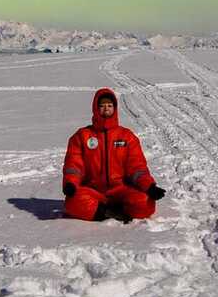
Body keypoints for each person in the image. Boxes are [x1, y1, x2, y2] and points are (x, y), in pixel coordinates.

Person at [61, 87, 166, 222]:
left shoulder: (127, 136)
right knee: (72, 202)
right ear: (95, 108)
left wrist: (149, 186)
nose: (106, 109)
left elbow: (137, 167)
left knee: (145, 202)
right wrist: (70, 184)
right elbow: (74, 166)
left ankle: (113, 208)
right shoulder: (82, 136)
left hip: (120, 190)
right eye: (102, 106)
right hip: (93, 191)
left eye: (110, 106)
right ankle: (105, 211)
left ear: (115, 108)